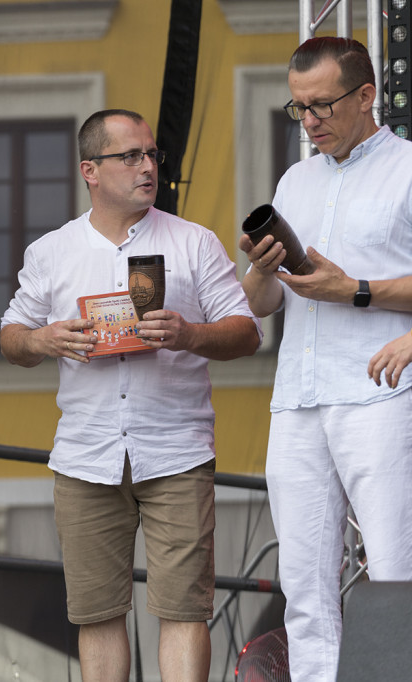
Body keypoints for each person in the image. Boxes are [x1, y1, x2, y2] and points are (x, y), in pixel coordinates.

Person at [0, 109, 260, 682]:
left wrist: (189, 334)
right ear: (90, 169)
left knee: (185, 610)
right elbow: (11, 338)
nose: (149, 168)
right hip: (85, 454)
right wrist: (44, 339)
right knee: (96, 615)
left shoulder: (194, 242)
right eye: (132, 157)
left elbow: (247, 331)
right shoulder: (53, 250)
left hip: (176, 451)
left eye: (152, 155)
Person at [239, 36, 412, 682]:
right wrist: (261, 270)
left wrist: (356, 290)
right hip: (299, 396)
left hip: (381, 393)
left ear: (367, 96)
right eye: (298, 108)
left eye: (322, 105)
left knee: (398, 570)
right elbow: (261, 304)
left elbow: (347, 288)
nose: (309, 121)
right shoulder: (295, 179)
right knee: (303, 586)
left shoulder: (408, 168)